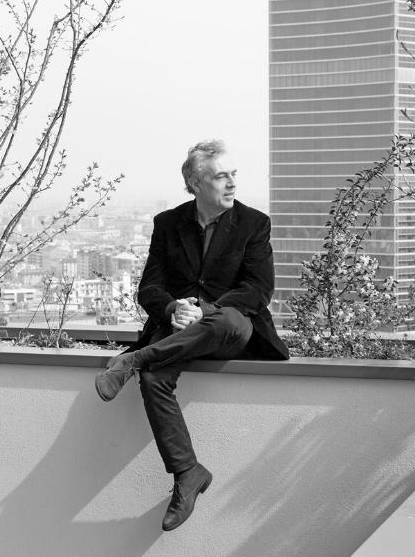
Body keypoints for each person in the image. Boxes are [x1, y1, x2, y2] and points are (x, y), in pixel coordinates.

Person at [95, 139, 289, 532]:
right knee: (154, 378)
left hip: (229, 328)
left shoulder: (254, 223)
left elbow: (258, 290)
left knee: (228, 320)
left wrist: (205, 310)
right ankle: (187, 473)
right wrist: (173, 309)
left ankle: (133, 360)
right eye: (221, 176)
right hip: (178, 331)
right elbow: (149, 288)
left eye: (234, 174)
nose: (232, 183)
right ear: (196, 184)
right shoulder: (168, 223)